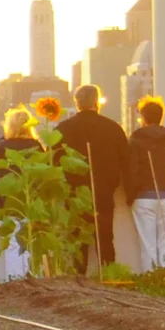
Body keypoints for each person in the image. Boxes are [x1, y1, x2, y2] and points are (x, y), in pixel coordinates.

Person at [56, 84, 128, 274]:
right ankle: (110, 279)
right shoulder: (113, 128)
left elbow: (53, 162)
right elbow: (126, 161)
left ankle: (79, 282)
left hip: (74, 194)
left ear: (76, 103)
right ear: (97, 102)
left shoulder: (62, 129)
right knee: (105, 239)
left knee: (77, 241)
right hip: (103, 193)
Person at [125, 97, 165, 272]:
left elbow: (131, 170)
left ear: (143, 118)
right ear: (161, 117)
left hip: (143, 198)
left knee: (148, 245)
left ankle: (149, 284)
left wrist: (131, 196)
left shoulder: (135, 139)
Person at [0, 107, 41, 281]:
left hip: (7, 201)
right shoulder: (37, 146)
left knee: (12, 244)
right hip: (30, 201)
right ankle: (31, 279)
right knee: (30, 242)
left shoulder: (2, 146)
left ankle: (14, 281)